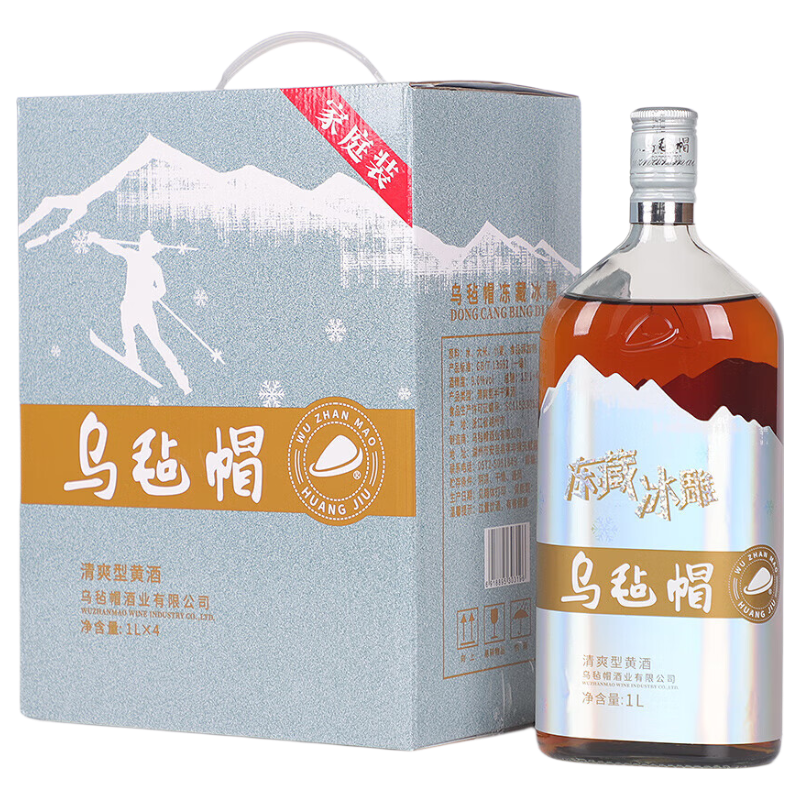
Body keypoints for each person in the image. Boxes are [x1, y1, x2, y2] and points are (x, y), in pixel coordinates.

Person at [88, 230, 191, 394]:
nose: (141, 244)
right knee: (128, 332)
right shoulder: (133, 255)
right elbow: (115, 249)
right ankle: (132, 358)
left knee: (157, 341)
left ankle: (182, 381)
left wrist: (153, 294)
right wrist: (99, 240)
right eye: (141, 241)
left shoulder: (154, 267)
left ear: (150, 247)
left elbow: (162, 289)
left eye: (145, 242)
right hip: (129, 304)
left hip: (144, 307)